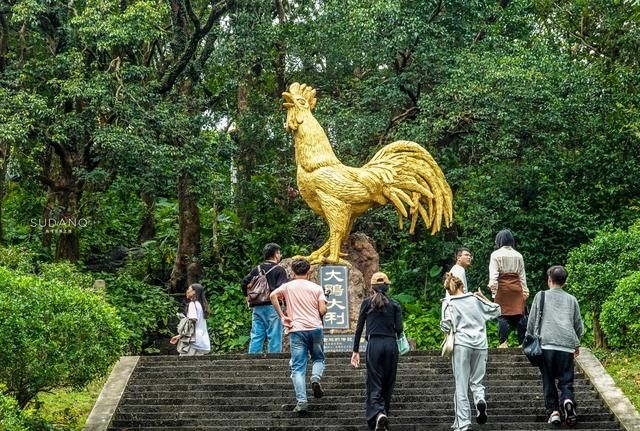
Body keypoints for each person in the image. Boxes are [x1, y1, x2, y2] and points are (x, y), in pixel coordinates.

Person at [441, 273, 501, 431]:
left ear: (449, 289)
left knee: (461, 385)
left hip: (461, 345)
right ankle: (480, 400)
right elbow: (496, 311)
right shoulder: (475, 299)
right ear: (462, 286)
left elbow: (445, 325)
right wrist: (483, 297)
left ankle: (463, 423)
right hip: (480, 344)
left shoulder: (449, 302)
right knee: (477, 381)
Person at [526, 265, 583, 426]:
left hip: (546, 344)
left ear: (549, 280)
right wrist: (576, 342)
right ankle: (567, 400)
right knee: (566, 379)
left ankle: (554, 411)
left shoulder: (541, 295)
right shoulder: (572, 299)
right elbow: (578, 324)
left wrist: (528, 338)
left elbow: (532, 320)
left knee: (548, 379)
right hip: (566, 345)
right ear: (564, 282)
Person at [270, 259, 328, 413]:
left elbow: (272, 296)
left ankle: (302, 402)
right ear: (308, 272)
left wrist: (282, 316)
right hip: (315, 328)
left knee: (298, 367)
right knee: (318, 358)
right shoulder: (316, 288)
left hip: (296, 330)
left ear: (293, 272)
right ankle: (315, 377)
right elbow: (322, 311)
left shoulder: (287, 287)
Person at [351, 272, 403, 431]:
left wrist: (355, 351)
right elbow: (399, 329)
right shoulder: (395, 305)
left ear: (372, 287)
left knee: (374, 381)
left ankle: (378, 414)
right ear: (387, 287)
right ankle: (383, 414)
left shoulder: (367, 303)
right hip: (390, 344)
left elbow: (359, 328)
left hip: (374, 344)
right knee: (388, 381)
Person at [241, 242, 288, 354]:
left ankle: (252, 360)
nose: (280, 255)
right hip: (273, 306)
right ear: (276, 254)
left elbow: (244, 282)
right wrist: (286, 306)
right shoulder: (279, 270)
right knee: (274, 335)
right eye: (279, 253)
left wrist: (247, 297)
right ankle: (274, 360)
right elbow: (283, 289)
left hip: (257, 307)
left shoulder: (256, 269)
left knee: (257, 334)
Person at [487, 229, 529, 348]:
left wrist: (492, 286)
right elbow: (522, 275)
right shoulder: (518, 255)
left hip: (503, 288)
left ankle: (503, 342)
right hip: (516, 287)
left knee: (502, 315)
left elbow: (494, 274)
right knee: (519, 314)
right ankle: (522, 342)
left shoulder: (495, 254)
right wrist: (525, 290)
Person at [170, 283, 211, 356]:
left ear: (194, 292)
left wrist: (184, 321)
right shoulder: (201, 305)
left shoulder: (192, 304)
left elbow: (193, 319)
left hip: (192, 339)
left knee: (184, 364)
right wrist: (179, 336)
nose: (187, 291)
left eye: (189, 289)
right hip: (202, 339)